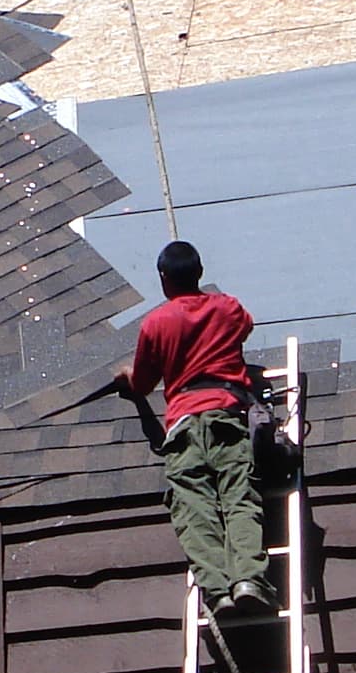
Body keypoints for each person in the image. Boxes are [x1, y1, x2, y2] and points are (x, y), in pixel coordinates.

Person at [116, 239, 273, 614]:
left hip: (184, 424)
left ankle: (217, 591)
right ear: (200, 273)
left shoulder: (156, 323)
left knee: (194, 507)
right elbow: (244, 328)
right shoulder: (228, 308)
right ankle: (248, 579)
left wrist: (126, 376)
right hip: (227, 418)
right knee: (238, 498)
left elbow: (142, 385)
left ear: (163, 279)